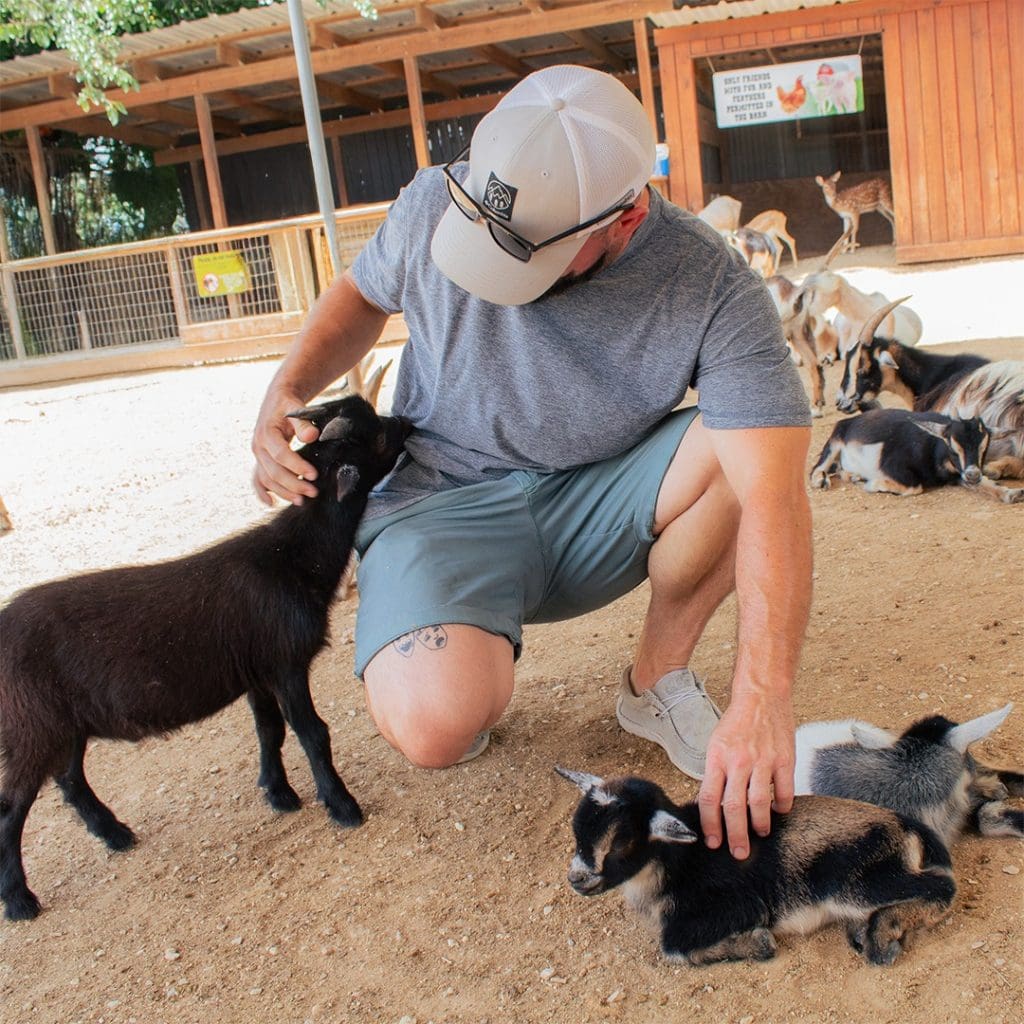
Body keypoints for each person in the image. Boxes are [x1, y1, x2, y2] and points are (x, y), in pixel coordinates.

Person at [251, 65, 813, 861]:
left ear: (625, 218)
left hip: (599, 501)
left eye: (524, 251)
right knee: (435, 727)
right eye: (481, 225)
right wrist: (286, 388)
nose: (487, 264)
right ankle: (453, 642)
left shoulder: (711, 282)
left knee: (751, 449)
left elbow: (775, 498)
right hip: (438, 500)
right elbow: (362, 295)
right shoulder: (433, 198)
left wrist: (763, 698)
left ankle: (656, 680)